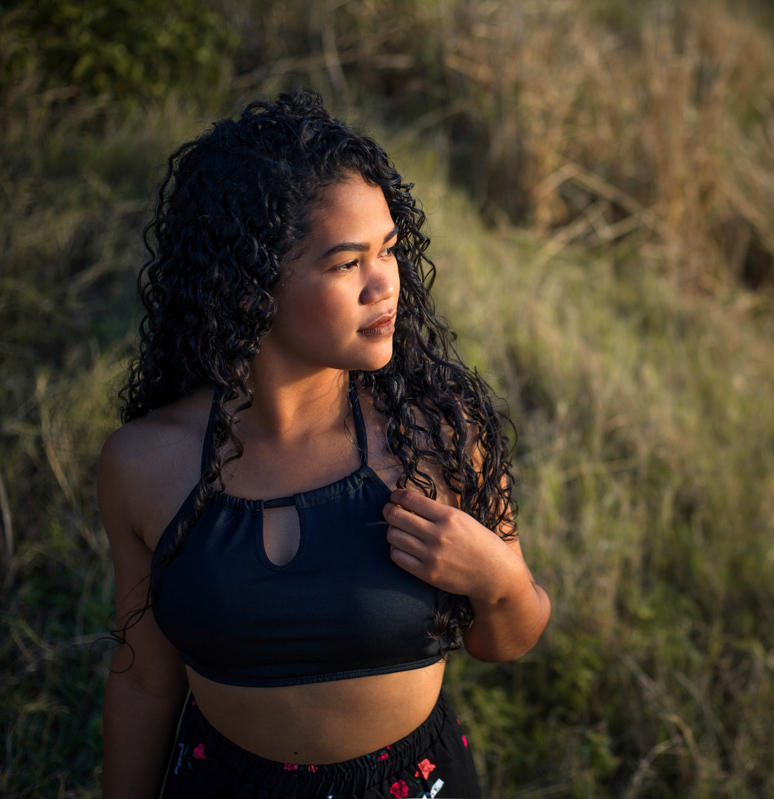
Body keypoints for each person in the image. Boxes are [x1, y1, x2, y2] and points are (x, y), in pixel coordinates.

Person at [97, 89, 551, 799]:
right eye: (346, 263)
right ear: (248, 289)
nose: (385, 284)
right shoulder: (144, 463)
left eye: (390, 250)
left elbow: (509, 637)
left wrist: (495, 577)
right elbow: (144, 676)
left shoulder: (435, 435)